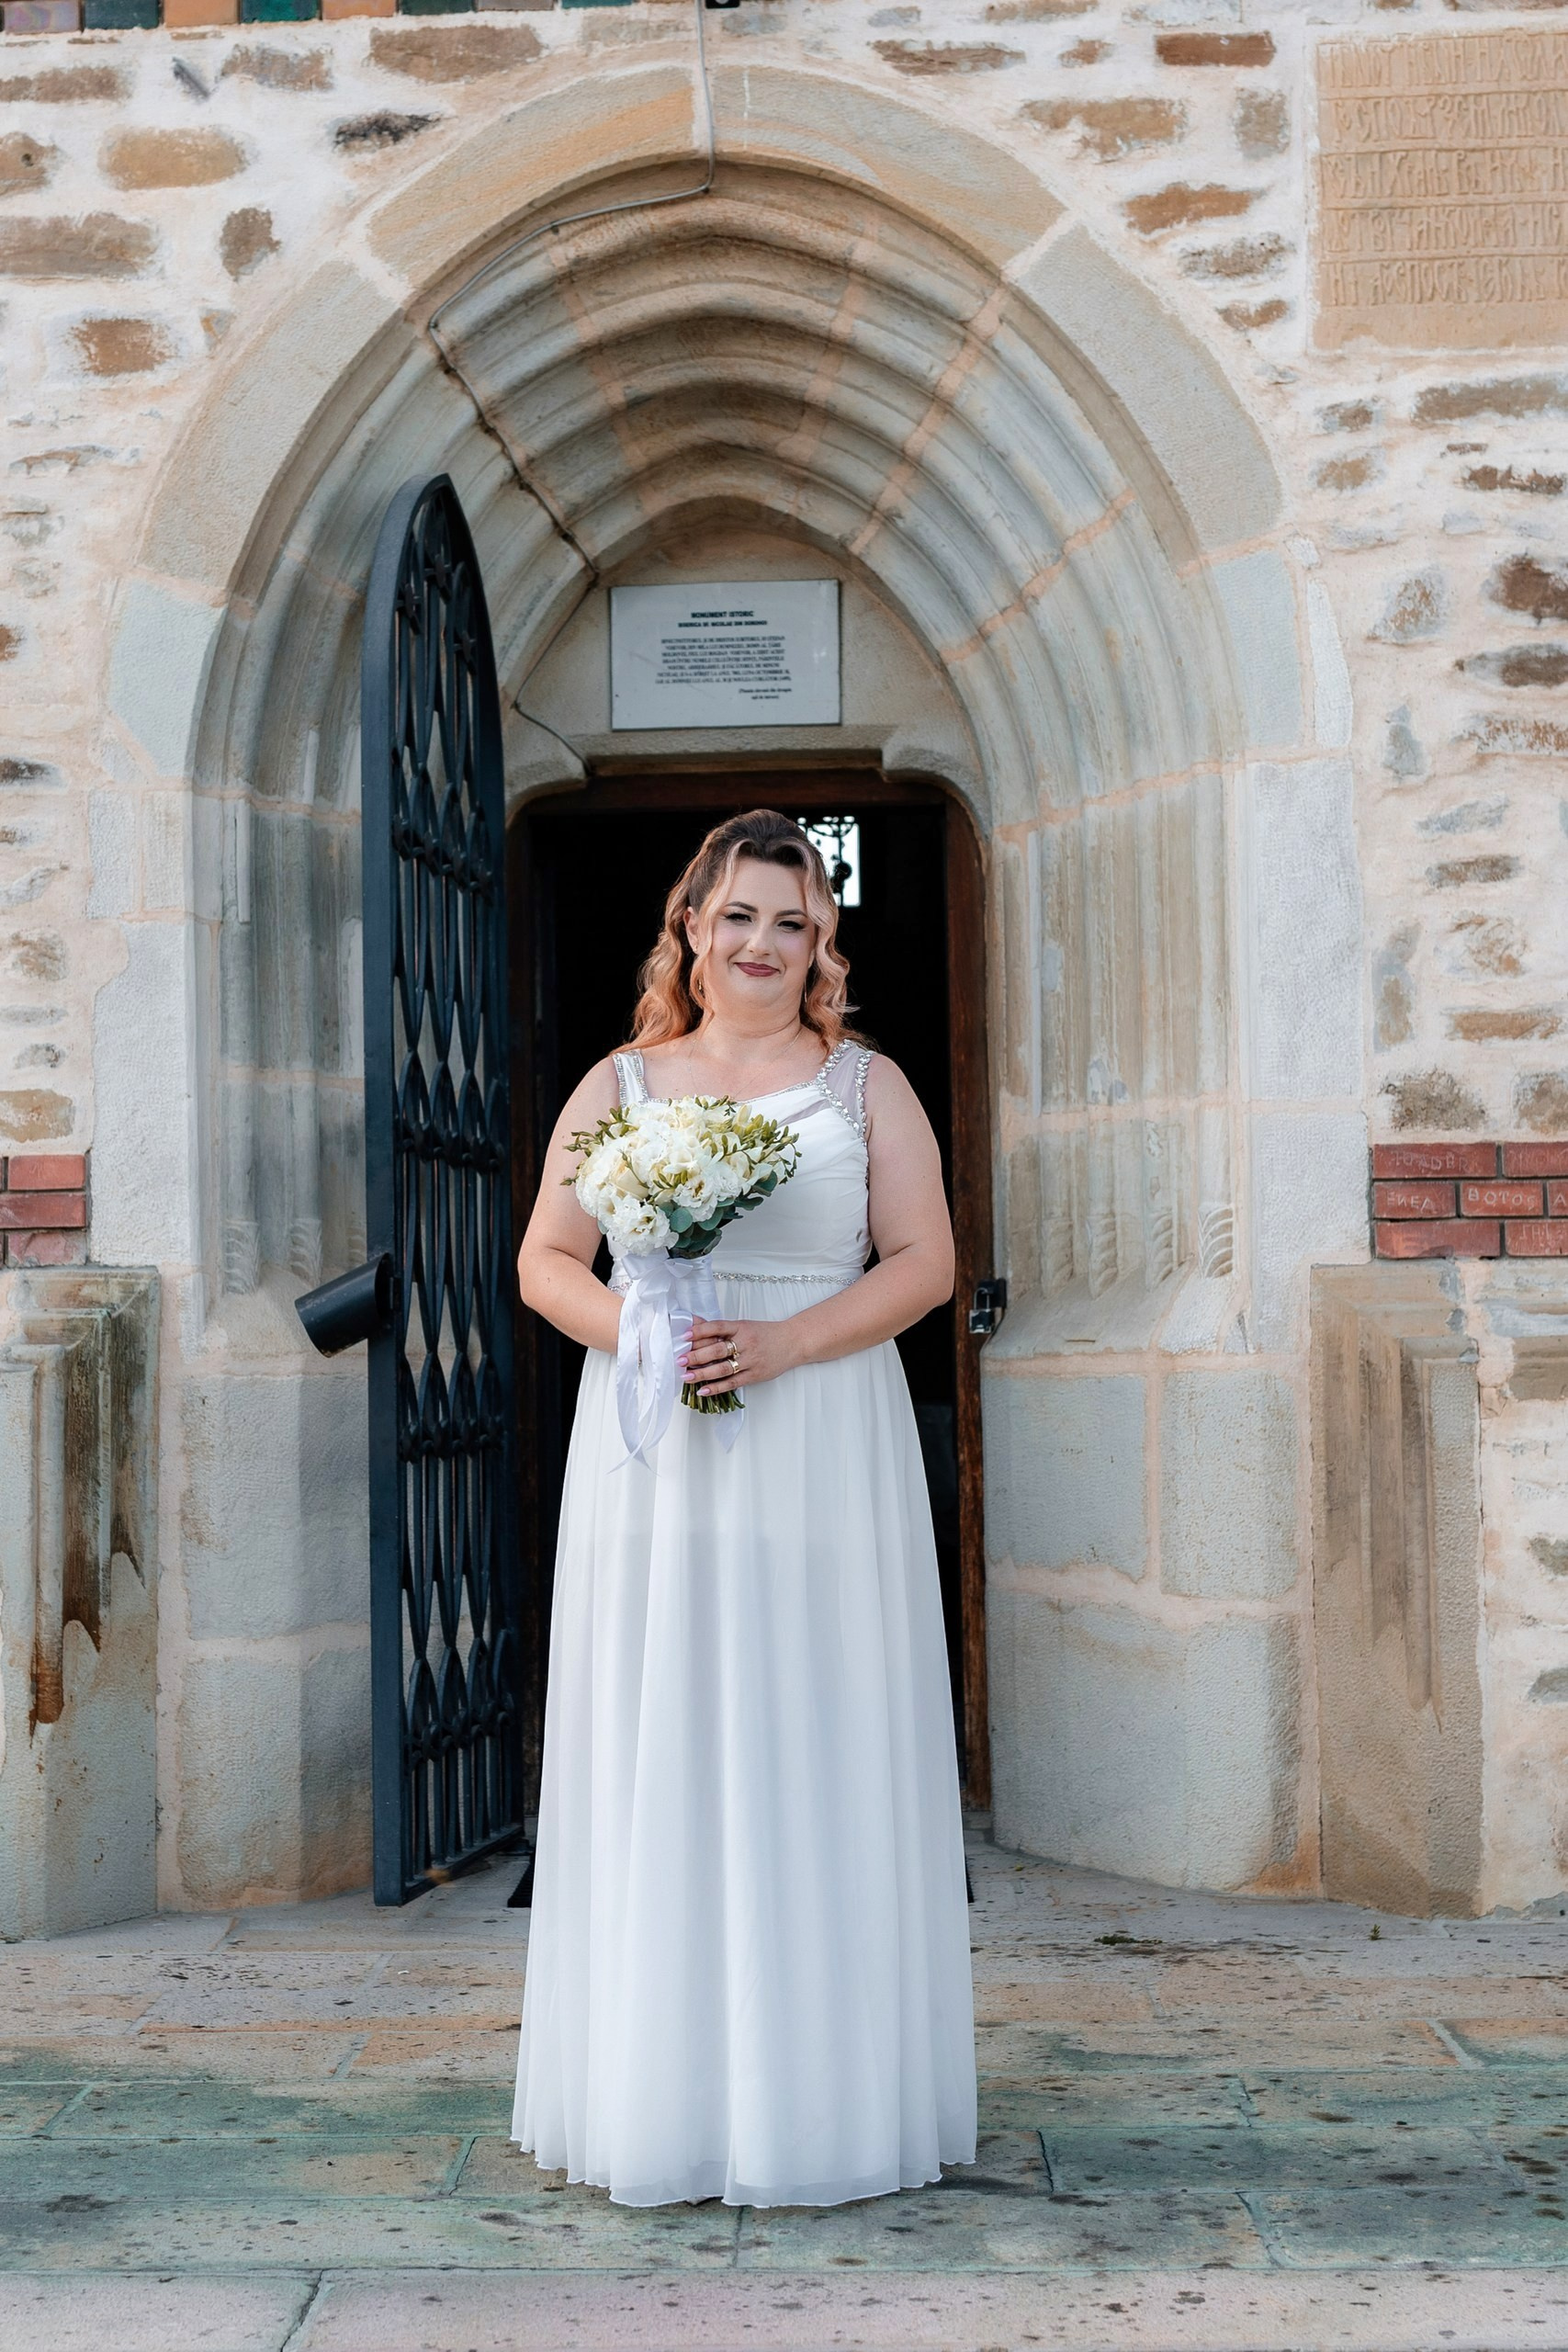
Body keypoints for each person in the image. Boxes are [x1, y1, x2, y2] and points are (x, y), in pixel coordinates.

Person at [510, 807, 976, 2209]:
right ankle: (662, 2094)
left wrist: (789, 1342)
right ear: (692, 932)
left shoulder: (864, 1088)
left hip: (822, 1431)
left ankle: (825, 2098)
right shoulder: (619, 1085)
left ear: (821, 941)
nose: (763, 943)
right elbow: (543, 1259)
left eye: (793, 921)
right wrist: (634, 1334)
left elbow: (928, 1263)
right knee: (671, 1726)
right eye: (739, 918)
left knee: (810, 1724)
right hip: (655, 1446)